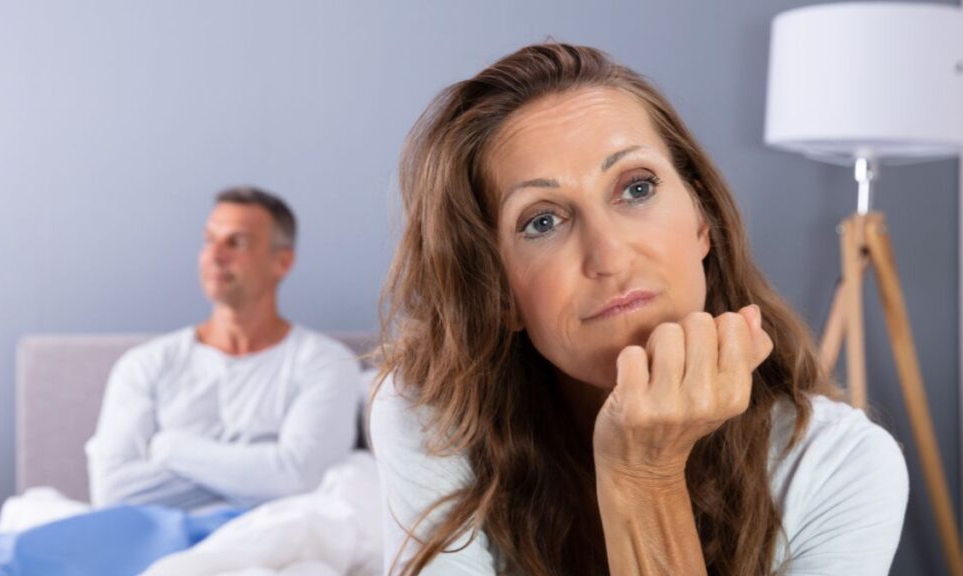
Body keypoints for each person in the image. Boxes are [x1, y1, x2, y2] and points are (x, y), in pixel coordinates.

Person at [369, 43, 908, 575]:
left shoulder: (842, 468)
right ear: (497, 292)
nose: (611, 256)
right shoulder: (427, 411)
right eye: (542, 221)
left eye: (637, 188)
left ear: (702, 221)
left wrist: (644, 474)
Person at [86, 186, 361, 510]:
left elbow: (299, 479)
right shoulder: (145, 365)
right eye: (209, 240)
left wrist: (170, 448)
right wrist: (257, 473)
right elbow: (112, 491)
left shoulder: (327, 363)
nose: (215, 256)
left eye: (237, 242)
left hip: (270, 542)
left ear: (282, 262)